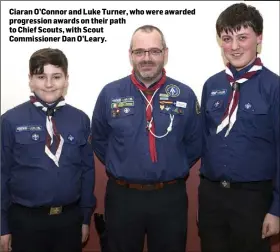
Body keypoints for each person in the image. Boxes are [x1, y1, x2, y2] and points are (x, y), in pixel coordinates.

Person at [91, 25, 201, 252]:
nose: (146, 58)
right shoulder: (110, 93)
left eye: (154, 51)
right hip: (123, 197)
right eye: (140, 52)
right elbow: (100, 140)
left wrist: (168, 164)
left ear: (165, 54)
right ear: (130, 55)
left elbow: (195, 142)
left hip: (170, 198)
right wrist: (126, 165)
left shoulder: (185, 94)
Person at [198, 3, 280, 252]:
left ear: (259, 38)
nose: (234, 47)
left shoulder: (274, 87)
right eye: (227, 38)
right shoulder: (211, 85)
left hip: (254, 198)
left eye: (242, 37)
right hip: (213, 197)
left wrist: (276, 209)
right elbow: (204, 140)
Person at [1, 48, 96, 252]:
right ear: (31, 79)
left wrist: (85, 216)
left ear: (66, 79)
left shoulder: (80, 119)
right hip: (25, 220)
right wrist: (2, 226)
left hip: (69, 220)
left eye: (56, 76)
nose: (49, 84)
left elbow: (87, 171)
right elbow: (2, 174)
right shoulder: (10, 120)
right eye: (41, 76)